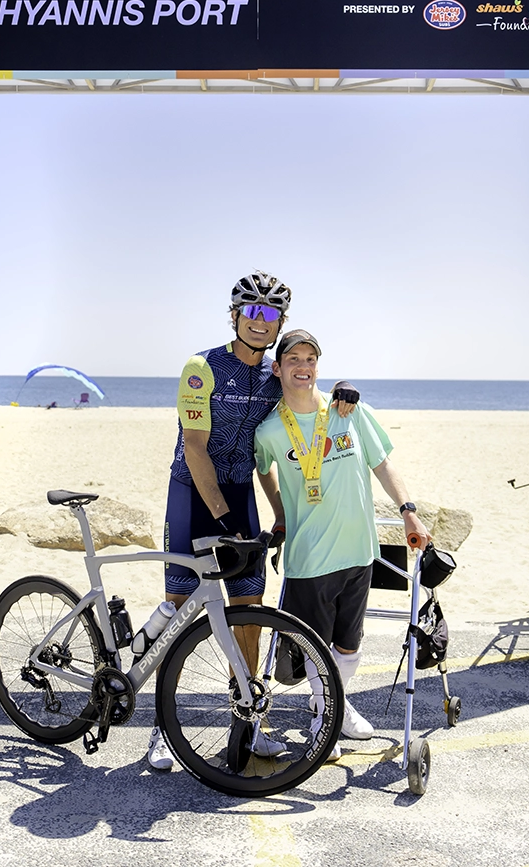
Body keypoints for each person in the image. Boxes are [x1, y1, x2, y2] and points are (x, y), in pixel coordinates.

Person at [148, 273, 358, 771]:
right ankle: (160, 727)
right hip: (194, 496)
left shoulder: (272, 374)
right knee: (180, 607)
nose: (260, 322)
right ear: (236, 314)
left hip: (240, 495)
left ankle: (246, 723)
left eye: (271, 315)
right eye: (252, 311)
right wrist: (222, 517)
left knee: (247, 610)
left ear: (279, 322)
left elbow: (307, 400)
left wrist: (346, 393)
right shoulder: (203, 367)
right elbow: (195, 448)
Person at [254, 330, 431, 761]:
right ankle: (325, 717)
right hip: (309, 556)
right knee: (314, 645)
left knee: (350, 645)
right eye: (293, 358)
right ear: (277, 368)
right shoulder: (270, 430)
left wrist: (408, 510)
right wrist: (280, 511)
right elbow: (263, 470)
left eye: (310, 358)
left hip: (359, 550)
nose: (303, 365)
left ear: (318, 367)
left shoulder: (350, 412)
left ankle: (330, 704)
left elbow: (383, 464)